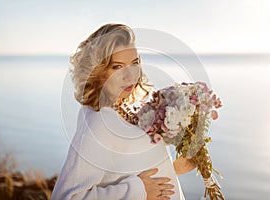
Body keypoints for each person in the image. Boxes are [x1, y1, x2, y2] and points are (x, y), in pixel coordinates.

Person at [51, 23, 196, 200]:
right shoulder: (99, 123)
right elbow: (67, 197)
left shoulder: (125, 106)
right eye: (117, 67)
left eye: (134, 63)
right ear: (98, 70)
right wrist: (138, 191)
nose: (130, 75)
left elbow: (123, 171)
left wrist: (173, 169)